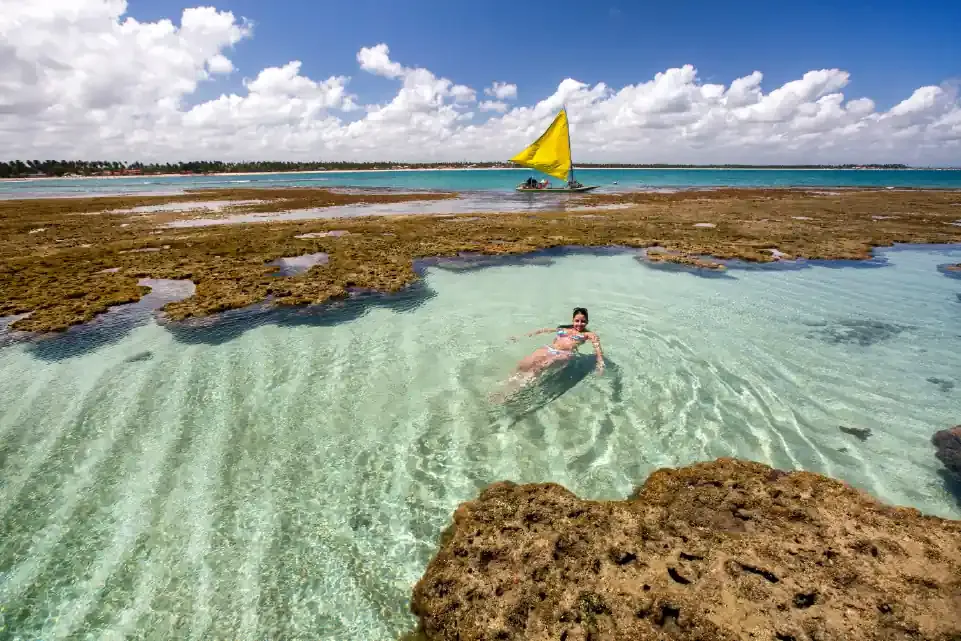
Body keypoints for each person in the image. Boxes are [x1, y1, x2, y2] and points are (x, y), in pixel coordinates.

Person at [512, 307, 604, 377]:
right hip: (549, 349)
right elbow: (543, 330)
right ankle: (511, 379)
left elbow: (598, 349)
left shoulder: (589, 334)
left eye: (583, 321)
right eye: (577, 321)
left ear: (587, 322)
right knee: (523, 364)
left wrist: (600, 363)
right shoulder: (563, 329)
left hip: (564, 354)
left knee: (539, 367)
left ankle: (521, 386)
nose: (579, 324)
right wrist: (520, 336)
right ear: (573, 320)